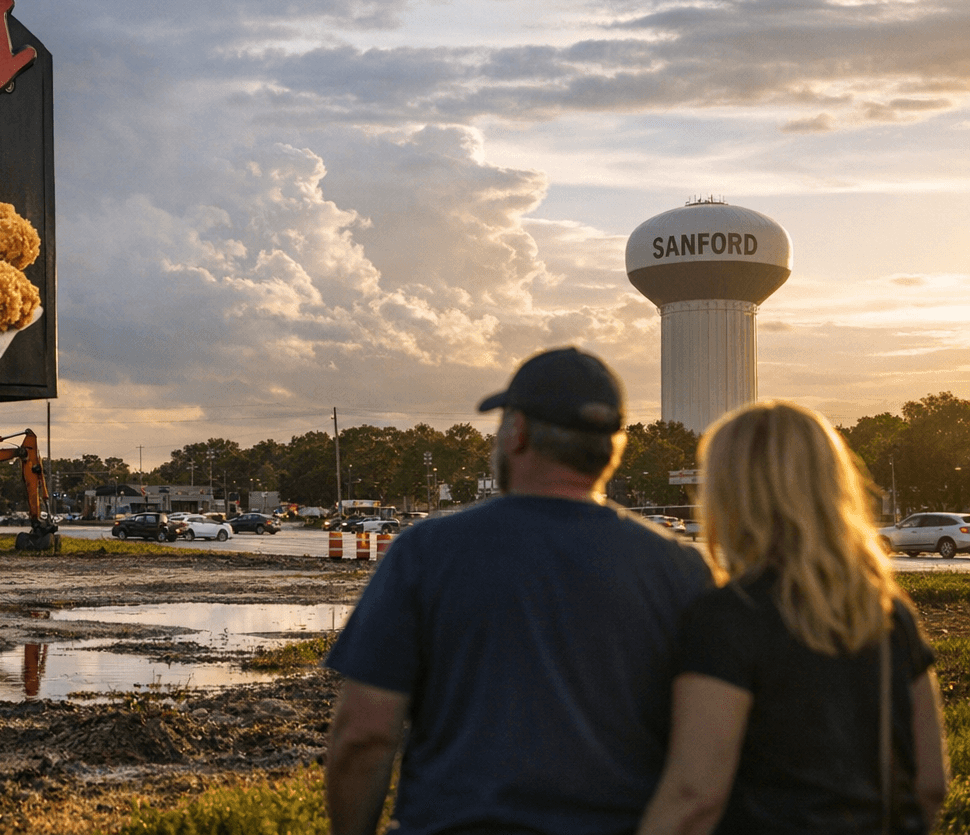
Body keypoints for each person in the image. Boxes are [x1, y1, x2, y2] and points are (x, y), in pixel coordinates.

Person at [323, 347, 711, 835]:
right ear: (616, 446)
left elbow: (364, 735)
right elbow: (702, 768)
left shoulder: (427, 552)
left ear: (518, 433)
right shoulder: (683, 571)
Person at [638, 401, 948, 835]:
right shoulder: (886, 611)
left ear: (732, 492)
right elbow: (930, 783)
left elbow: (695, 796)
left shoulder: (729, 617)